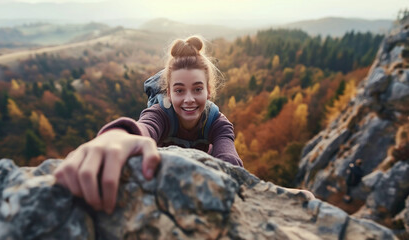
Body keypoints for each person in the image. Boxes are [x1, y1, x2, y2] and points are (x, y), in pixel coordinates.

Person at [53, 35, 314, 214]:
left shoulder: (218, 123)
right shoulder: (161, 113)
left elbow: (228, 159)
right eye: (179, 91)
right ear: (169, 92)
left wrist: (272, 196)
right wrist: (116, 137)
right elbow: (143, 128)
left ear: (209, 91)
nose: (189, 99)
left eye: (197, 89)